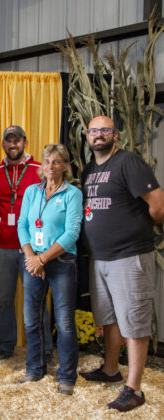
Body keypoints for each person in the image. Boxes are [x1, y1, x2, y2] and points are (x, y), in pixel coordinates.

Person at [80, 116, 164, 412]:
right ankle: (111, 370)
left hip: (128, 256)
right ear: (87, 136)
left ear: (115, 135)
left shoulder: (128, 162)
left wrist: (133, 230)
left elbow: (158, 206)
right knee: (109, 318)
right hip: (100, 257)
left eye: (104, 130)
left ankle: (134, 389)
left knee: (134, 321)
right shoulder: (90, 169)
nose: (98, 135)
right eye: (93, 131)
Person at [17, 144, 82, 396]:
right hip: (33, 261)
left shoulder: (73, 194)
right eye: (47, 161)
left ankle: (67, 376)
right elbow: (22, 225)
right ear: (42, 166)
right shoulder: (32, 191)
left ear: (65, 166)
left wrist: (42, 259)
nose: (51, 166)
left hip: (61, 262)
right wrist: (31, 257)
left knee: (64, 322)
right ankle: (35, 369)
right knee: (31, 319)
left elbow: (72, 233)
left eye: (57, 161)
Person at [0, 125, 53, 361]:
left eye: (17, 140)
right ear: (3, 144)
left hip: (33, 249)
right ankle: (5, 346)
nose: (13, 144)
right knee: (4, 300)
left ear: (25, 142)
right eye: (9, 140)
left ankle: (44, 349)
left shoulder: (40, 170)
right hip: (1, 246)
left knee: (36, 299)